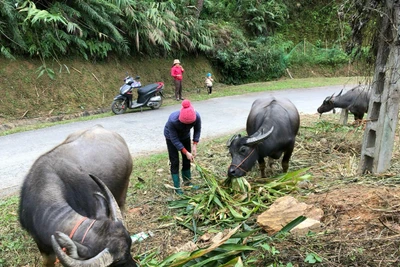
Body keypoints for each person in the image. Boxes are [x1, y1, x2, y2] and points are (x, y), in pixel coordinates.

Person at [164, 99, 201, 195]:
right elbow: (175, 140)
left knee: (186, 160)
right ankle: (177, 186)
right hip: (171, 138)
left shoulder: (196, 116)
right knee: (174, 161)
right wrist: (186, 151)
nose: (187, 126)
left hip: (185, 136)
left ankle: (187, 183)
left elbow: (197, 130)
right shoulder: (172, 120)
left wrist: (194, 145)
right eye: (185, 124)